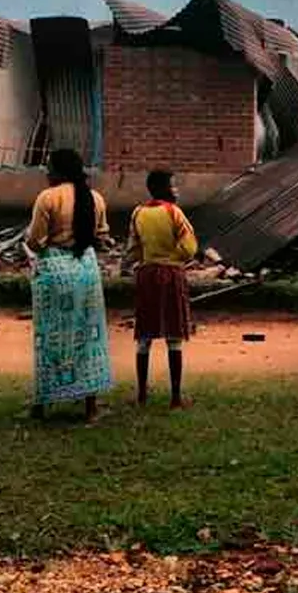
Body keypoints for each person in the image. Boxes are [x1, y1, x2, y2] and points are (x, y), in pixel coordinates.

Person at [25, 149, 112, 423]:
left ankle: (41, 404)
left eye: (49, 167)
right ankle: (91, 407)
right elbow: (102, 236)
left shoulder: (47, 197)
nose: (47, 172)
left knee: (50, 337)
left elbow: (35, 241)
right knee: (89, 336)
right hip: (86, 270)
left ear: (59, 171)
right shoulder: (95, 198)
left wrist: (30, 245)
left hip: (56, 270)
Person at [125, 169, 198, 408]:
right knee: (174, 335)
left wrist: (138, 261)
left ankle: (142, 394)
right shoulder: (174, 212)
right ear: (165, 189)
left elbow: (133, 248)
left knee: (144, 335)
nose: (176, 189)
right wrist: (172, 258)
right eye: (173, 185)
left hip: (146, 275)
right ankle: (176, 397)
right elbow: (189, 247)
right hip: (171, 275)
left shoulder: (138, 212)